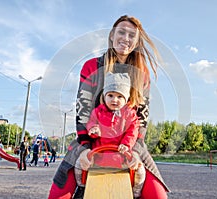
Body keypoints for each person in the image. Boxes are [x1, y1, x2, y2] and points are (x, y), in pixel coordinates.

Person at [48, 15, 169, 199]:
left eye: (131, 35)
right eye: (121, 32)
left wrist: (135, 150)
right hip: (91, 139)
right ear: (112, 35)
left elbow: (142, 118)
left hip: (128, 142)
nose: (125, 38)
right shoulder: (91, 66)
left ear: (136, 42)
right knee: (58, 193)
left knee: (158, 195)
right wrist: (84, 149)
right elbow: (83, 111)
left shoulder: (141, 72)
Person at [73, 72, 145, 199]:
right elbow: (91, 124)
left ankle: (136, 192)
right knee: (79, 163)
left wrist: (126, 145)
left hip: (121, 157)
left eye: (119, 96)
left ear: (126, 99)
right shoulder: (98, 112)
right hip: (99, 158)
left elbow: (133, 131)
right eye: (110, 95)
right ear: (104, 96)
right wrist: (93, 130)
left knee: (140, 170)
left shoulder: (129, 114)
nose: (114, 100)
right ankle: (81, 186)